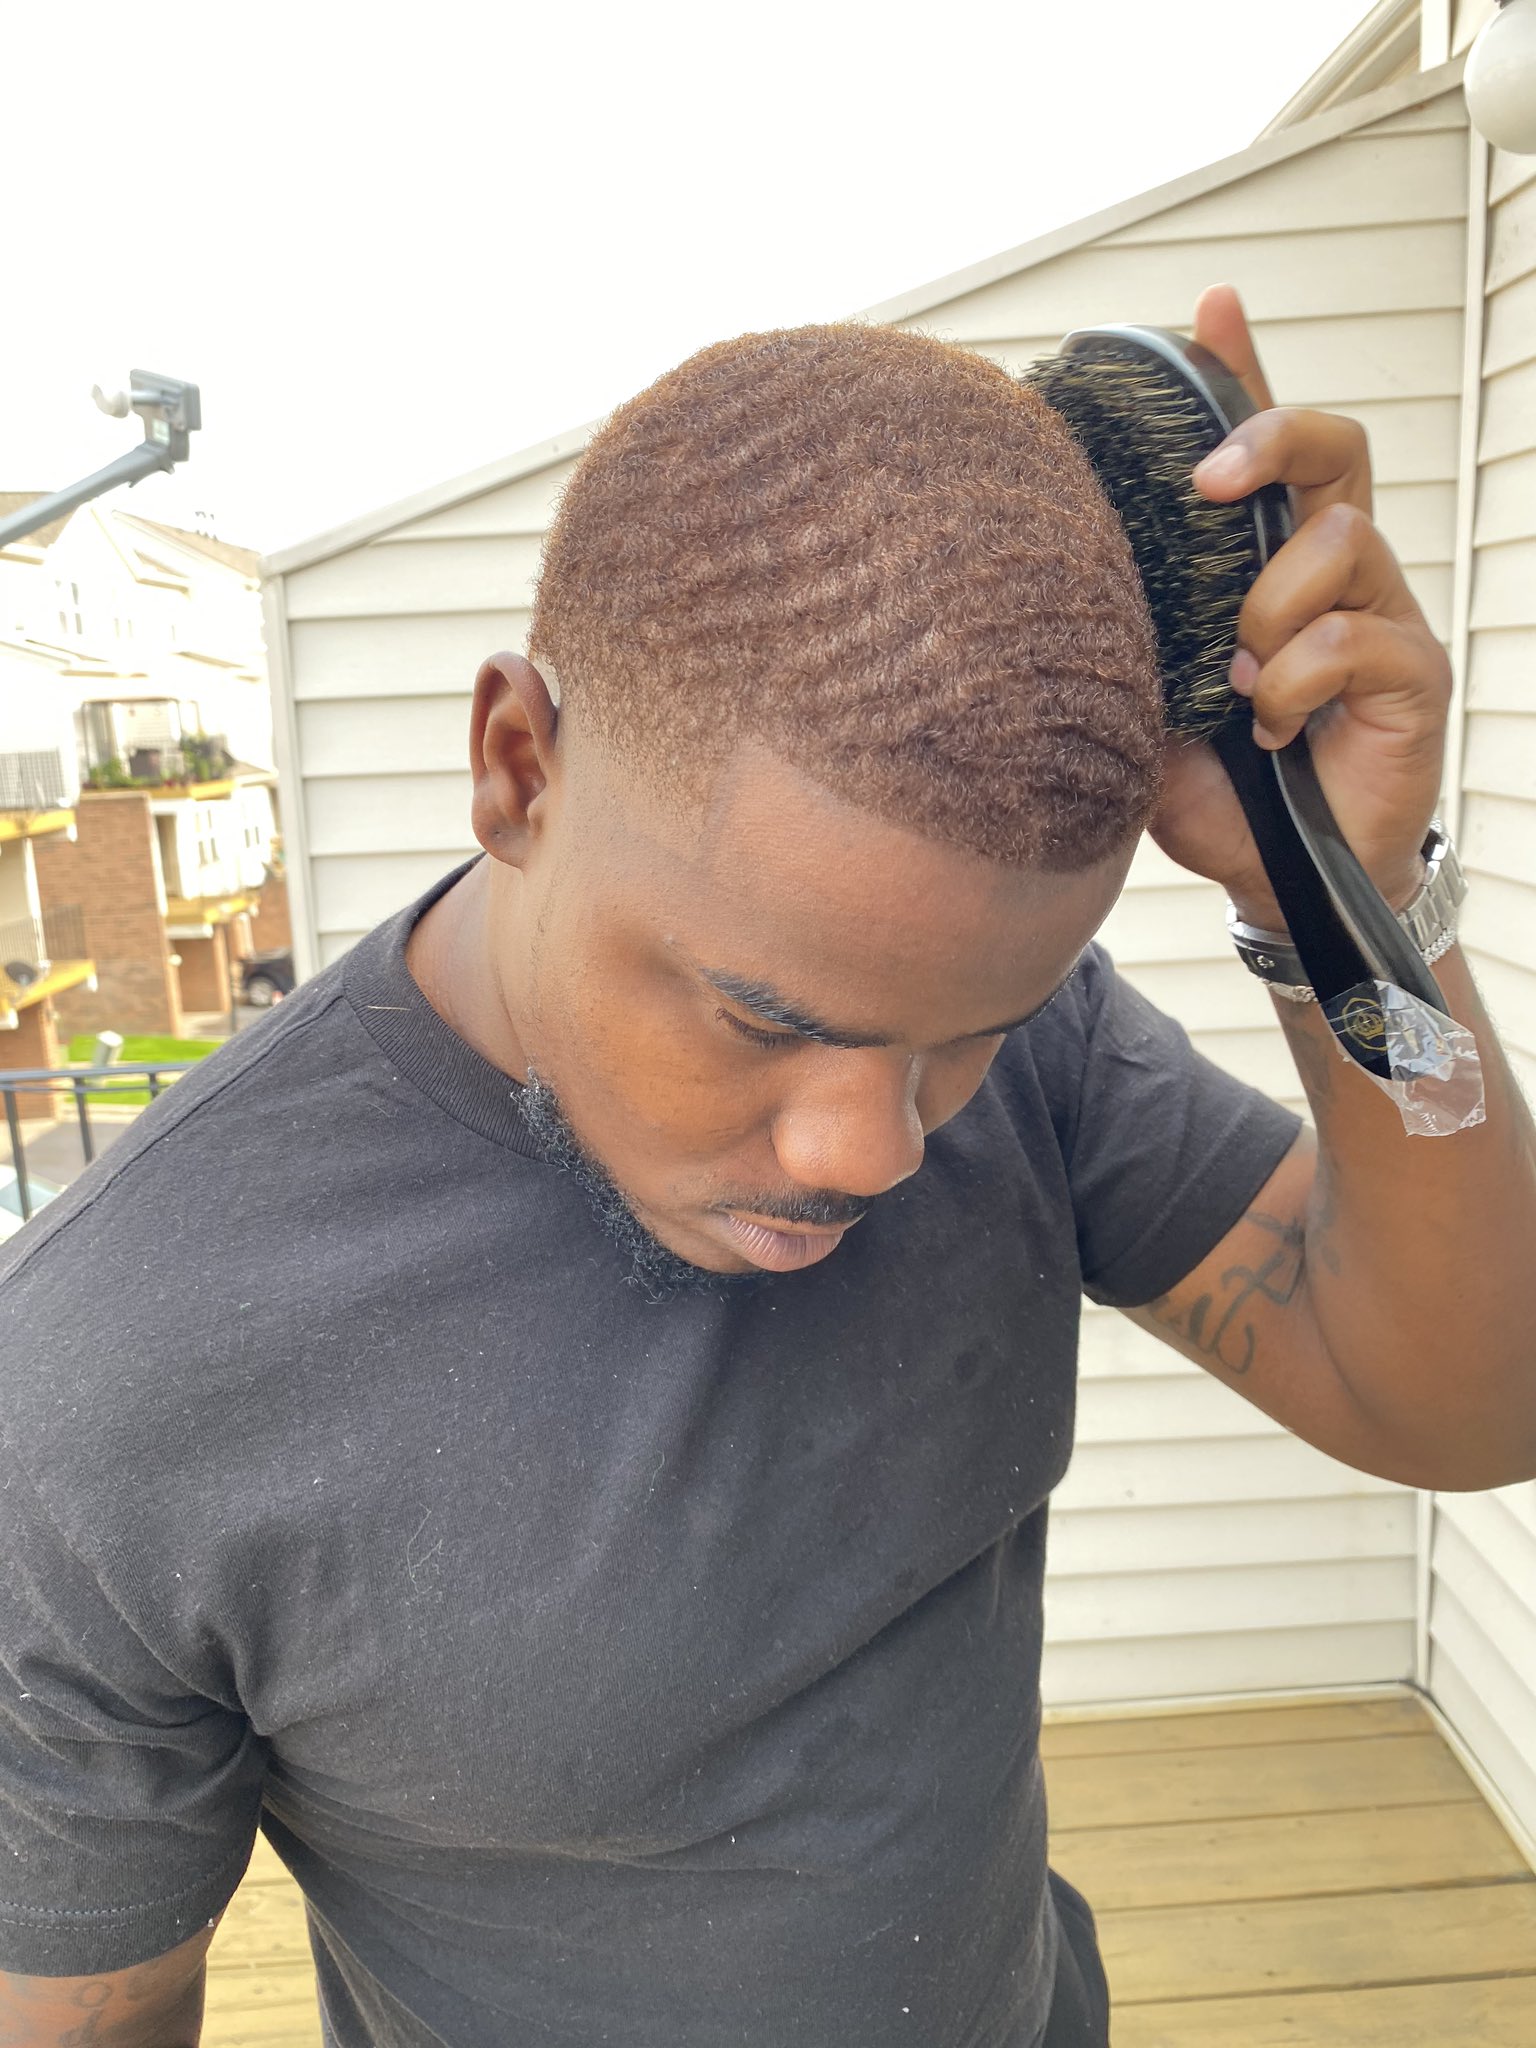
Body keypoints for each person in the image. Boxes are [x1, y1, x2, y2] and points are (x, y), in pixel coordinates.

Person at [2, 287, 1533, 2048]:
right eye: (759, 1019)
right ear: (516, 767)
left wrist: (1344, 900)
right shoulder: (105, 1380)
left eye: (966, 1037)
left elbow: (1467, 1407)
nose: (874, 1146)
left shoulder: (1028, 1039)